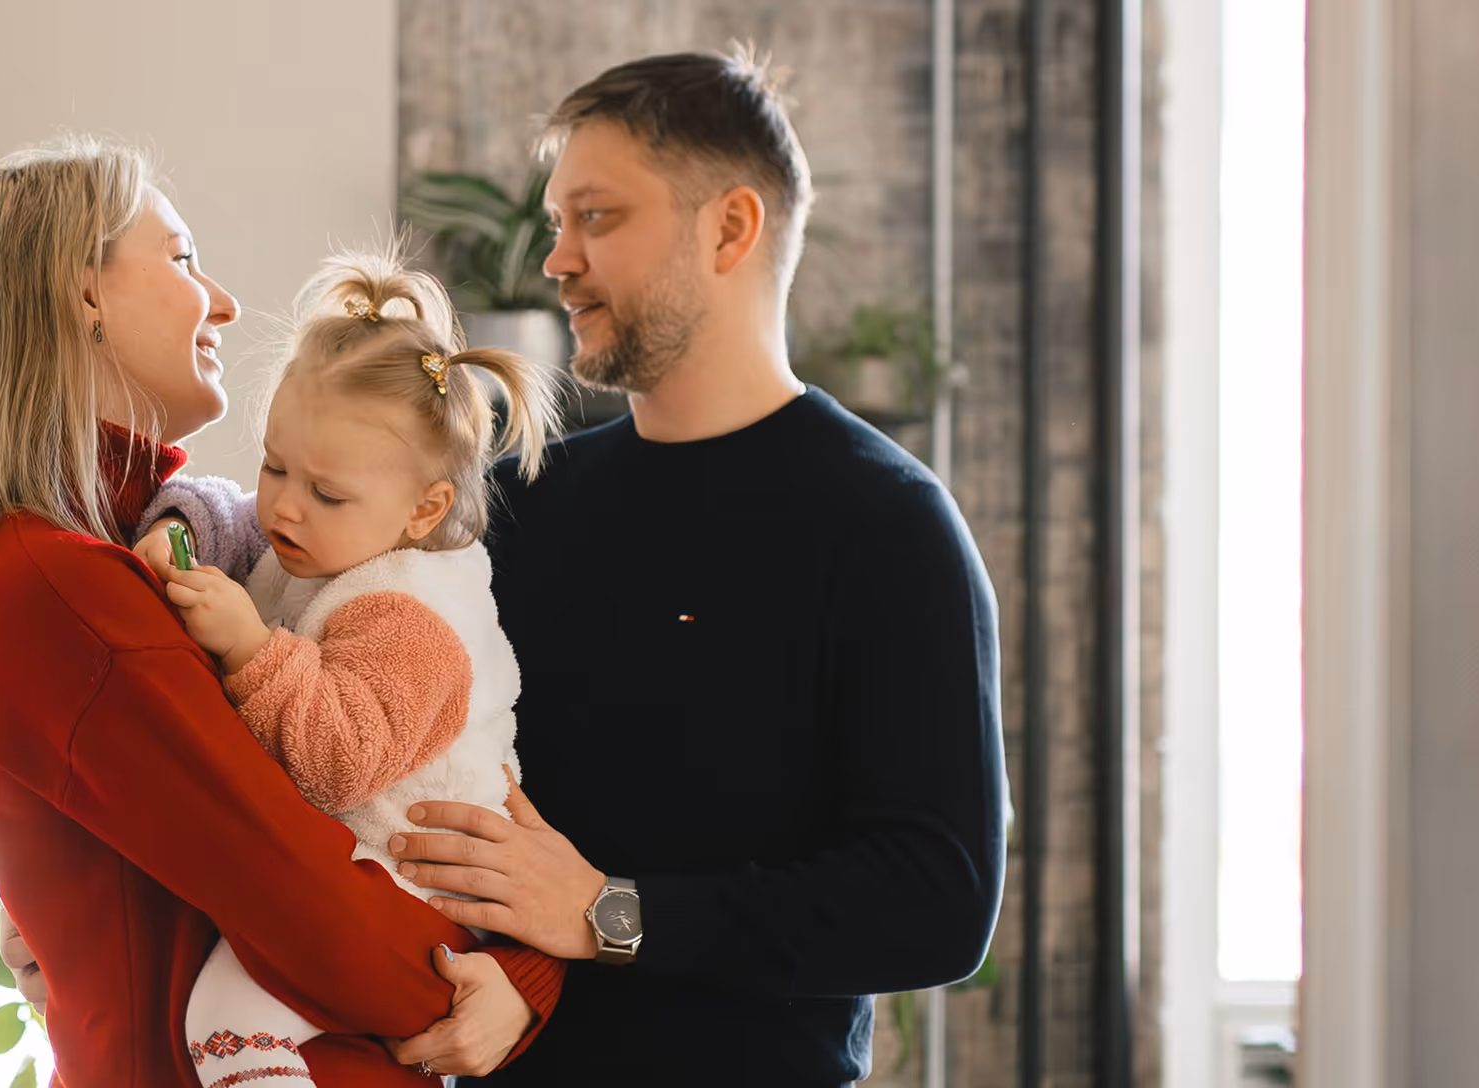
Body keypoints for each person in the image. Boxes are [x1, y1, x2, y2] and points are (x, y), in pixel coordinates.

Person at [0, 136, 564, 1088]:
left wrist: (519, 969)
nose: (226, 303)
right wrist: (507, 978)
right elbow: (306, 902)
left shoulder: (111, 557)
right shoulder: (59, 587)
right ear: (84, 295)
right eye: (184, 259)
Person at [377, 48, 1011, 1086]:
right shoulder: (512, 505)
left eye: (597, 217)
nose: (558, 258)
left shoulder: (888, 524)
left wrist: (607, 914)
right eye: (558, 222)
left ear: (730, 228)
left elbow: (936, 901)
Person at [125, 246, 560, 1088]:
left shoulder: (413, 614)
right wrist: (180, 528)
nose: (286, 505)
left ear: (424, 509)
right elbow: (234, 517)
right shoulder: (329, 536)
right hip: (355, 868)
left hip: (416, 887)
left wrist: (250, 648)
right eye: (274, 464)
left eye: (324, 492)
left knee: (227, 1024)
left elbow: (341, 759)